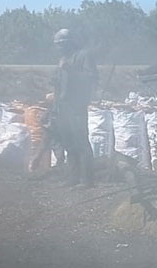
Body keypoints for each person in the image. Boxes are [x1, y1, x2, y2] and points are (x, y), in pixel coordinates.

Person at [51, 28, 97, 186]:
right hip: (63, 106)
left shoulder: (84, 55)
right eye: (57, 45)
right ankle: (73, 177)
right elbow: (57, 84)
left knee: (81, 141)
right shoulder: (63, 59)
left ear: (69, 43)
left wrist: (71, 70)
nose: (59, 48)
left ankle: (87, 179)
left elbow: (91, 77)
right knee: (68, 142)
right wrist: (54, 106)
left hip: (77, 106)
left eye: (61, 44)